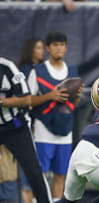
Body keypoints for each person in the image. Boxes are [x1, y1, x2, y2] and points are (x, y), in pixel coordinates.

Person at [27, 31, 83, 202]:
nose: (59, 48)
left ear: (66, 48)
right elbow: (27, 101)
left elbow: (74, 105)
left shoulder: (73, 72)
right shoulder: (37, 71)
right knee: (40, 175)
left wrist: (78, 96)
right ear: (48, 48)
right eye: (55, 44)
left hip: (65, 131)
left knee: (61, 175)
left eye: (62, 44)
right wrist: (49, 96)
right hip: (44, 131)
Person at [0, 57, 52, 203]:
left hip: (14, 126)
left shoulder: (7, 66)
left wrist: (2, 102)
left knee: (34, 172)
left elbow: (27, 98)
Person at [17, 37, 45, 203]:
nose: (42, 51)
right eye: (38, 47)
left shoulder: (44, 70)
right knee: (28, 169)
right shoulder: (24, 71)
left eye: (42, 47)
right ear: (31, 50)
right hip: (27, 123)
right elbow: (26, 100)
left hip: (42, 124)